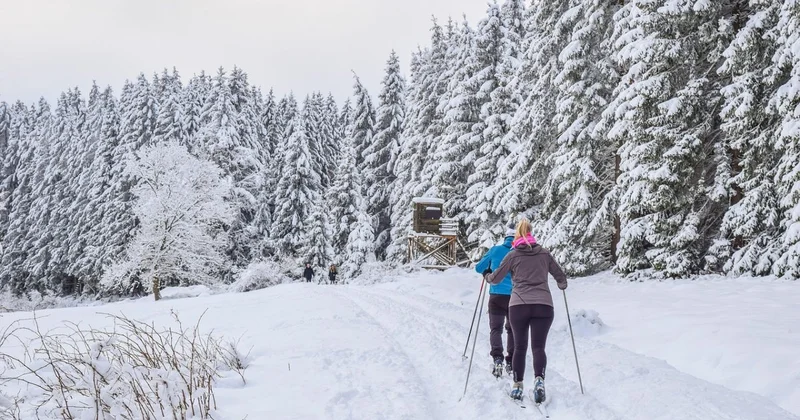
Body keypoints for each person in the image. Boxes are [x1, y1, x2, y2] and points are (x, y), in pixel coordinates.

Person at [484, 218, 567, 405]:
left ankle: (517, 385)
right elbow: (560, 276)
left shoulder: (512, 255)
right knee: (538, 347)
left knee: (520, 347)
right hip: (544, 305)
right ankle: (539, 381)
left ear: (517, 235)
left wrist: (487, 276)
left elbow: (496, 278)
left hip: (519, 305)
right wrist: (562, 284)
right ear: (531, 233)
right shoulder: (544, 253)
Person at [474, 226, 516, 378]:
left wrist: (487, 272)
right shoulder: (520, 253)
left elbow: (479, 268)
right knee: (513, 329)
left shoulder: (495, 250)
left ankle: (497, 358)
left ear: (505, 238)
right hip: (515, 297)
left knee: (496, 329)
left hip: (496, 295)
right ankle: (511, 361)